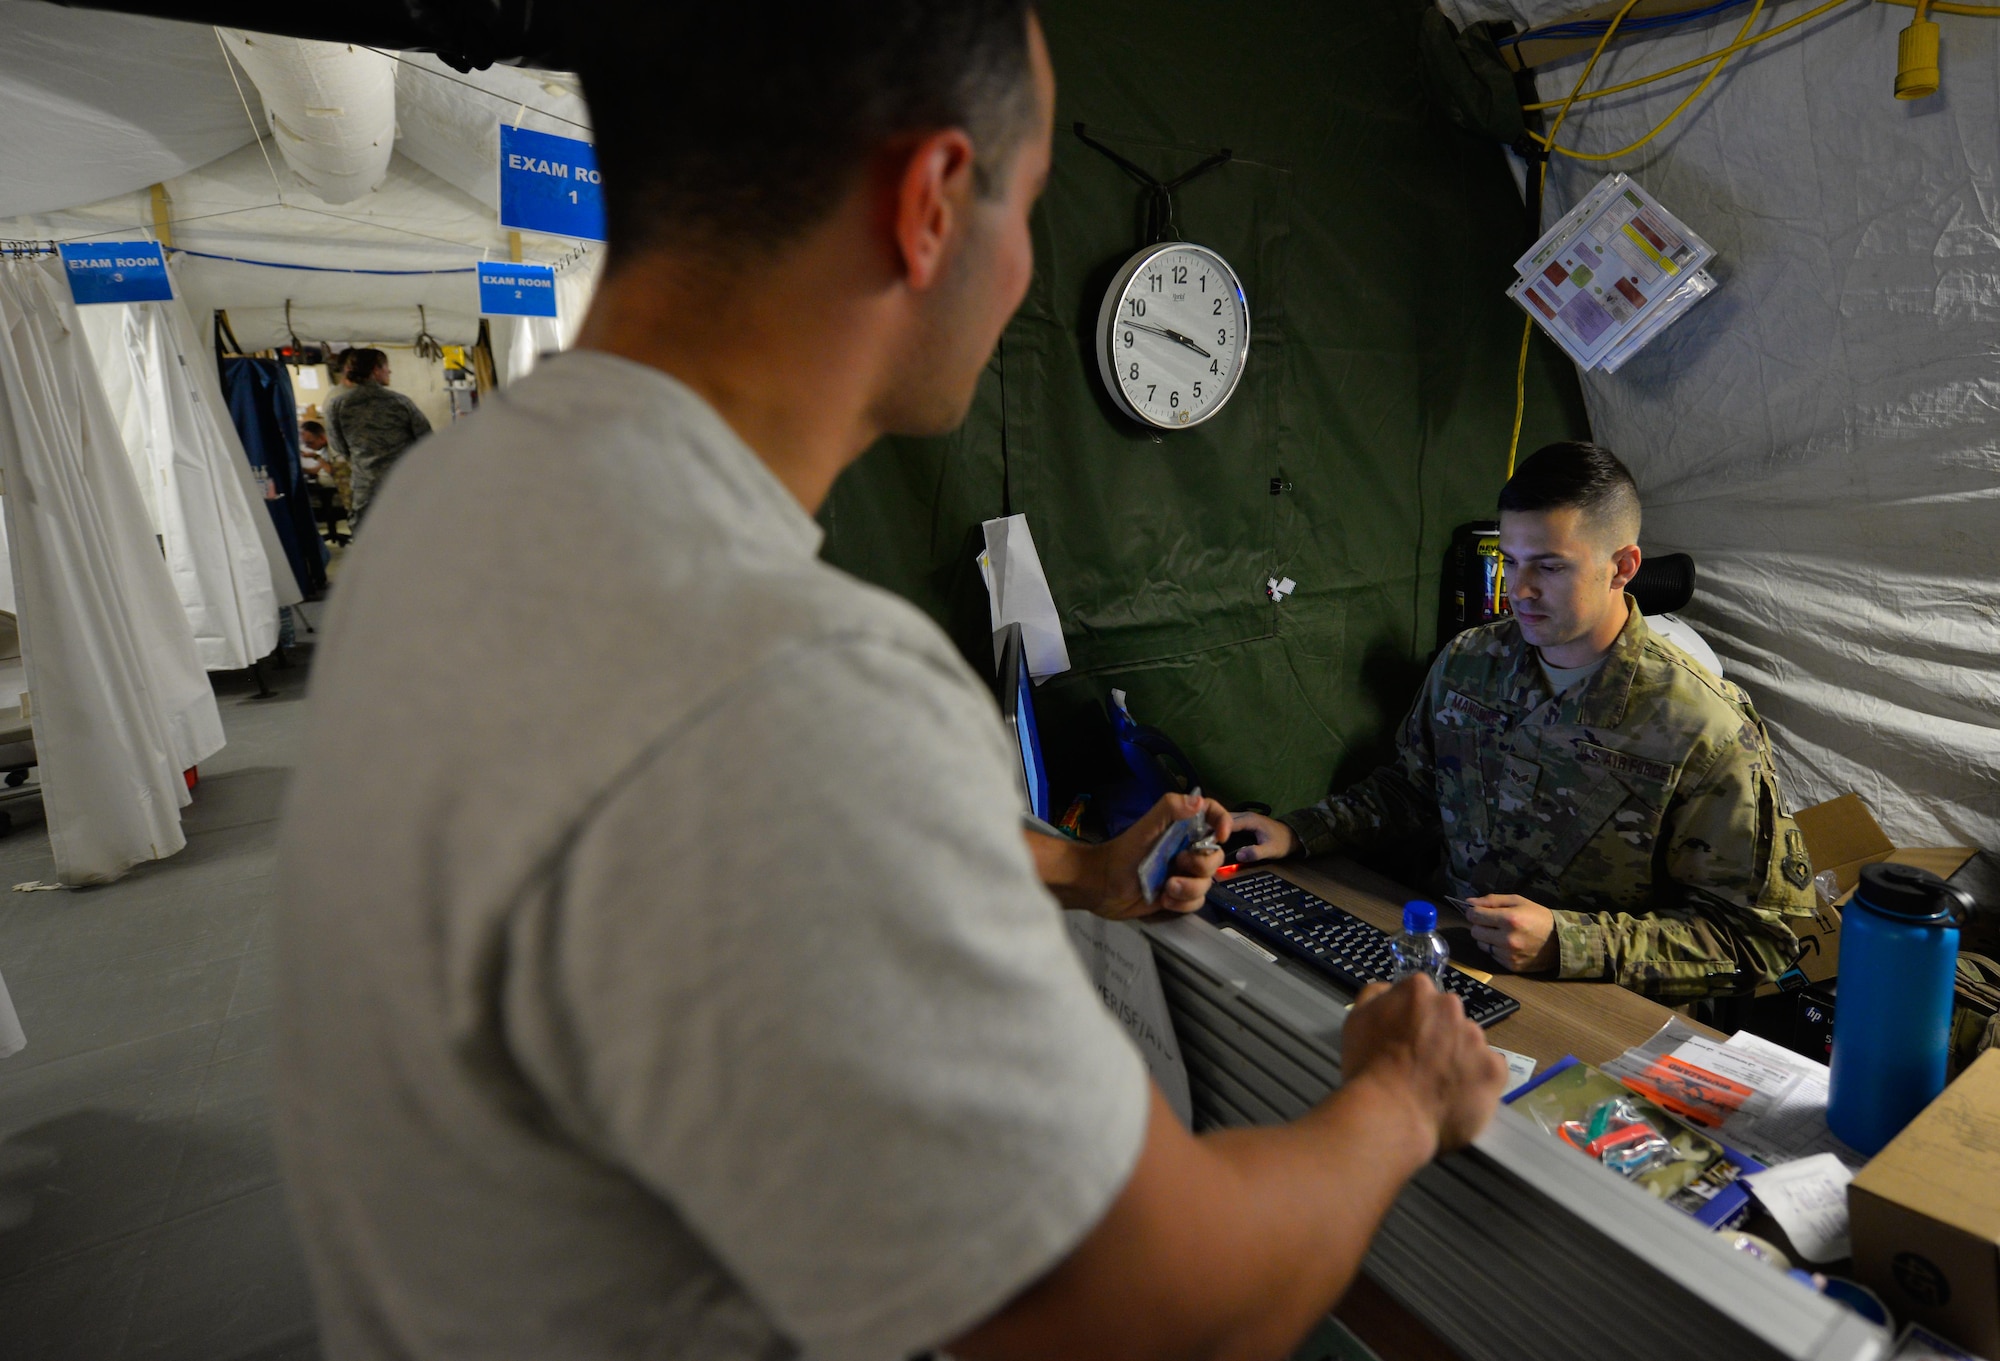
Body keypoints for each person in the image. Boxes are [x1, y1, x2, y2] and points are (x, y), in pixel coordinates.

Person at [276, 7, 1504, 1361]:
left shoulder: (459, 502)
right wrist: (1398, 1094)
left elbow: (723, 843)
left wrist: (1082, 874)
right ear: (928, 206)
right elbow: (1157, 1315)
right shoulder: (795, 679)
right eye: (1028, 205)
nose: (1029, 263)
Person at [1232, 442, 1818, 1000]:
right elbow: (1411, 789)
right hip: (1454, 967)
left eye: (1551, 567)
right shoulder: (1470, 662)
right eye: (1511, 563)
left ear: (1623, 567)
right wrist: (1300, 832)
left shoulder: (1701, 726)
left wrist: (1571, 944)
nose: (1521, 590)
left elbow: (1756, 939)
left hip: (1595, 1007)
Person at [324, 346, 431, 523]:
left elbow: (339, 447)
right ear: (375, 369)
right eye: (386, 366)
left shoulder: (337, 405)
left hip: (366, 491)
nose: (389, 371)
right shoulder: (399, 402)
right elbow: (427, 441)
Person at [299, 421, 349, 546]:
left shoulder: (335, 450)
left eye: (310, 443)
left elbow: (334, 472)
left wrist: (316, 457)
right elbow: (317, 470)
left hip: (334, 492)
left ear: (322, 438)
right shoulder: (324, 451)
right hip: (324, 488)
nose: (309, 447)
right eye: (306, 444)